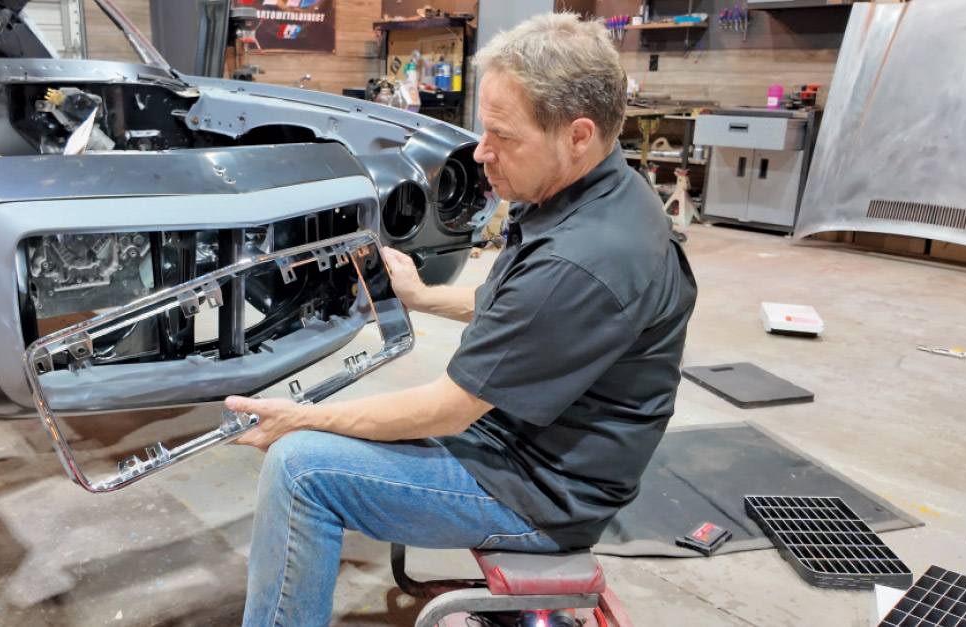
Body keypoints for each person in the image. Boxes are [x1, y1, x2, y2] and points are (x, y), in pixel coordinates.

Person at [223, 12, 697, 626]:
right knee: (345, 428)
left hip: (541, 492)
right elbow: (528, 316)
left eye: (504, 136)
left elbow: (453, 406)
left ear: (578, 135)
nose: (482, 153)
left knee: (301, 468)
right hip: (529, 446)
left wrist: (302, 419)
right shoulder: (597, 193)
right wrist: (420, 296)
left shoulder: (587, 258)